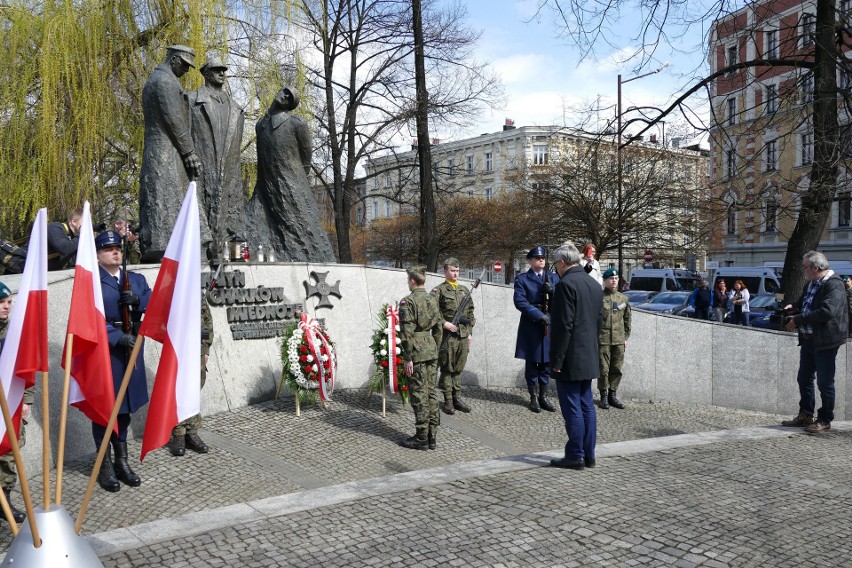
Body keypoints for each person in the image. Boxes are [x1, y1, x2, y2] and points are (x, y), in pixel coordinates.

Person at [247, 85, 335, 262]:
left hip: (292, 184)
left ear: (290, 106)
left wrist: (295, 181)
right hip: (265, 186)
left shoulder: (297, 124)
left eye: (290, 98)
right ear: (278, 92)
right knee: (251, 223)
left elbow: (306, 158)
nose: (285, 97)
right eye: (285, 92)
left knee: (302, 229)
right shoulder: (260, 125)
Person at [93, 231, 152, 491]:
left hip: (133, 347)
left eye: (118, 248)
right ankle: (104, 466)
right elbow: (88, 319)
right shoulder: (92, 282)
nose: (115, 252)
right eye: (108, 249)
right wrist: (117, 337)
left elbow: (156, 303)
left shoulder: (136, 279)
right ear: (97, 256)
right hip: (108, 352)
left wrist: (138, 301)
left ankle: (122, 461)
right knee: (105, 410)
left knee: (125, 409)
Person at [139, 45, 205, 261]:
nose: (186, 70)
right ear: (174, 59)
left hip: (163, 151)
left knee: (167, 200)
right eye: (184, 65)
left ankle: (166, 244)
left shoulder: (158, 79)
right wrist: (189, 152)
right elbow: (173, 119)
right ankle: (165, 246)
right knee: (166, 200)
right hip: (166, 153)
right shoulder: (164, 81)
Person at [549, 241, 603, 470]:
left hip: (571, 356)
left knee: (573, 407)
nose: (555, 269)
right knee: (586, 405)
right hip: (589, 352)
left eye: (555, 264)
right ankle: (589, 454)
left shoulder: (565, 285)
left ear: (562, 263)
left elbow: (563, 326)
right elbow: (599, 322)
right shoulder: (593, 284)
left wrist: (557, 360)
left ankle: (575, 455)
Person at [781, 251, 848, 433]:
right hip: (809, 339)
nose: (802, 271)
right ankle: (805, 414)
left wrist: (798, 320)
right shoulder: (811, 283)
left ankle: (825, 419)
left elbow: (827, 311)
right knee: (804, 378)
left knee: (825, 382)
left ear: (815, 268)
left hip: (826, 340)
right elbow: (805, 302)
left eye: (804, 268)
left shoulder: (834, 285)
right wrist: (793, 306)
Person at [188, 58, 245, 246]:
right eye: (216, 70)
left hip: (228, 174)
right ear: (206, 73)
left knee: (226, 229)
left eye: (223, 70)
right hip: (200, 170)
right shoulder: (191, 100)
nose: (222, 73)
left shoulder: (237, 109)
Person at [397, 265, 443, 450]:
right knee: (431, 392)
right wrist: (436, 349)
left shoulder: (407, 302)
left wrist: (407, 357)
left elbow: (406, 333)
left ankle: (421, 437)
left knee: (419, 394)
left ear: (412, 281)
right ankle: (432, 436)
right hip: (431, 349)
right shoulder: (433, 300)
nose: (408, 283)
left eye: (408, 280)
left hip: (416, 352)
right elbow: (438, 328)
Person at [513, 246, 559, 413]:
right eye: (537, 258)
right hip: (532, 324)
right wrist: (538, 315)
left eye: (543, 258)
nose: (541, 260)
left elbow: (562, 297)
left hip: (549, 323)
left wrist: (553, 291)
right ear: (530, 261)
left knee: (546, 362)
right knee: (532, 362)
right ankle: (533, 397)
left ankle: (543, 397)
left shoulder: (553, 278)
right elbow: (520, 301)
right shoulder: (523, 279)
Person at [168, 295, 213, 456]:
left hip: (198, 351)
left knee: (194, 390)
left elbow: (207, 321)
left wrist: (206, 349)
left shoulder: (197, 292)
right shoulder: (173, 291)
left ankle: (192, 432)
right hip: (178, 351)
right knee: (178, 392)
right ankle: (179, 434)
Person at [0, 281, 30, 522]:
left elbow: (26, 368)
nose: (6, 307)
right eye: (0, 303)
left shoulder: (15, 331)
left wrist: (27, 400)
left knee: (10, 452)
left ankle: (5, 500)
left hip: (11, 402)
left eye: (8, 302)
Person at [432, 257, 476, 415]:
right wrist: (444, 323)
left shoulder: (464, 290)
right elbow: (433, 312)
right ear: (445, 271)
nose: (456, 273)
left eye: (457, 270)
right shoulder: (439, 290)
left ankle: (457, 398)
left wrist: (469, 333)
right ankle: (448, 400)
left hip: (463, 336)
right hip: (447, 336)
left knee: (458, 368)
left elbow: (471, 313)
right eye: (452, 270)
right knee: (447, 368)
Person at [598, 268, 631, 410]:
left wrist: (626, 337)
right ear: (605, 281)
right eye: (611, 278)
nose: (614, 280)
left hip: (618, 339)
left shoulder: (623, 299)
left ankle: (613, 394)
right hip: (603, 339)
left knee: (616, 368)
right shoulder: (598, 298)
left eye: (616, 278)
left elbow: (627, 319)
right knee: (603, 369)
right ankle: (604, 396)